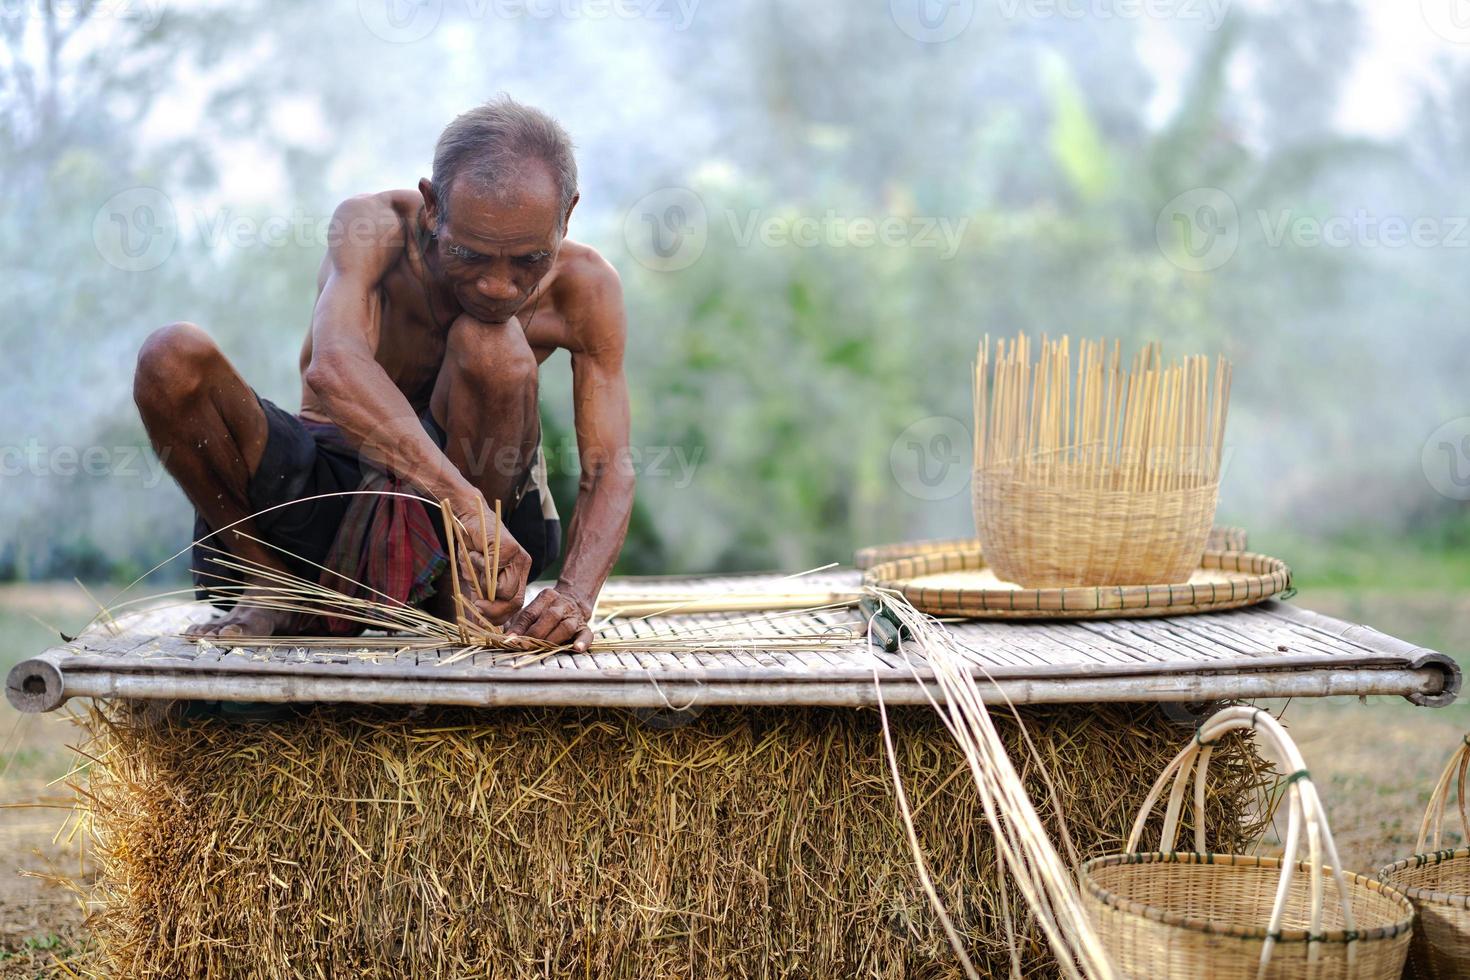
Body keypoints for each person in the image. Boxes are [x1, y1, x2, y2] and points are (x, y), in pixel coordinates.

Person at [132, 97, 633, 652]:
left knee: (490, 343)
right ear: (433, 207)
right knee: (170, 356)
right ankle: (267, 585)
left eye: (527, 262)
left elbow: (610, 466)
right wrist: (462, 504)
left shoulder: (587, 285)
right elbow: (335, 368)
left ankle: (466, 592)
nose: (498, 286)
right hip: (324, 498)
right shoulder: (372, 229)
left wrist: (575, 595)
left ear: (566, 217)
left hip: (489, 519)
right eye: (470, 255)